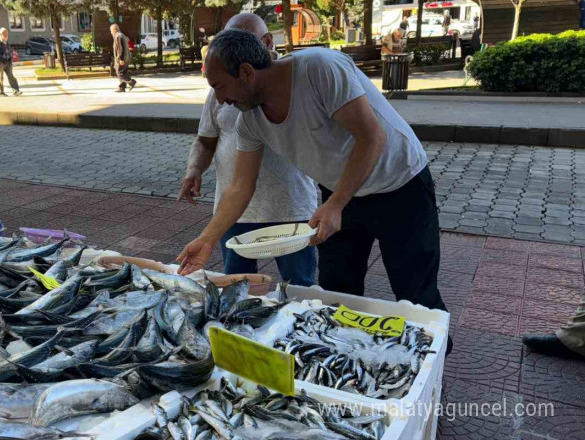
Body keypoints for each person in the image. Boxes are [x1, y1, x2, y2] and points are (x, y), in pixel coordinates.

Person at [177, 30, 451, 353]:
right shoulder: (249, 120)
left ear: (247, 73)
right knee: (337, 293)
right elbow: (240, 187)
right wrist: (207, 239)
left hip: (401, 185)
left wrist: (336, 203)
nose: (220, 100)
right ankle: (351, 357)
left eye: (220, 87)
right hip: (342, 195)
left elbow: (372, 138)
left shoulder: (320, 68)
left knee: (415, 293)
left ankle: (435, 372)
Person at [180, 13, 317, 286]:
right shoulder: (223, 90)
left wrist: (338, 200)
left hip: (290, 208)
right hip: (234, 211)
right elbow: (206, 139)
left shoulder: (296, 81)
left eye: (243, 42)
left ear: (265, 42)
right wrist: (194, 169)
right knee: (234, 288)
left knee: (300, 288)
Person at [0, 28, 21, 97]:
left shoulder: (5, 40)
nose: (6, 35)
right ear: (0, 34)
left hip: (8, 61)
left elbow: (8, 49)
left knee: (11, 76)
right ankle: (1, 92)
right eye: (5, 34)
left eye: (7, 34)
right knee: (0, 77)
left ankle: (16, 91)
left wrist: (11, 58)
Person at [110, 24, 136, 92]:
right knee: (123, 72)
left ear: (115, 30)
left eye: (111, 31)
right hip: (126, 58)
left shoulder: (118, 36)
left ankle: (131, 82)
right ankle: (122, 87)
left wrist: (121, 59)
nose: (111, 33)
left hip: (122, 59)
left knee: (119, 73)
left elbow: (120, 49)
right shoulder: (122, 35)